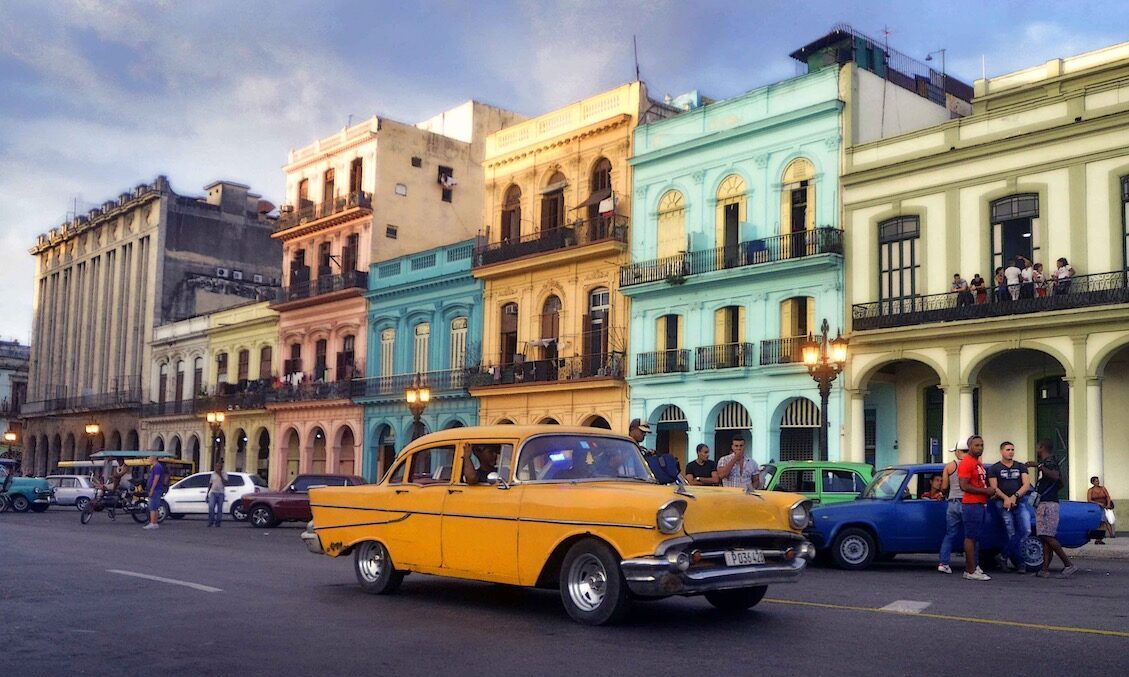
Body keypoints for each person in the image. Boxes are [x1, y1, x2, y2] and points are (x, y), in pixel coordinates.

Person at [1028, 439, 1077, 578]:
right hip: (1047, 501)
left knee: (1047, 535)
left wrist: (1038, 466)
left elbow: (1055, 476)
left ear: (1042, 447)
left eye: (1037, 446)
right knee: (1044, 537)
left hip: (1048, 504)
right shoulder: (1049, 462)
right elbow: (1060, 482)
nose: (1036, 448)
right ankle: (1044, 569)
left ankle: (1068, 564)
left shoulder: (1048, 462)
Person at [988, 441, 1032, 571]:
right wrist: (1006, 498)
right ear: (1001, 451)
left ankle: (1003, 555)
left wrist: (1014, 496)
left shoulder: (1020, 466)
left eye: (1012, 449)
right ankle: (1020, 563)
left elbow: (1026, 484)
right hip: (1002, 503)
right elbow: (994, 487)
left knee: (1026, 530)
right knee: (1011, 532)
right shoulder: (994, 468)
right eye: (1008, 449)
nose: (1011, 452)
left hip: (1019, 502)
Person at [958, 435, 995, 581]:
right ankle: (970, 570)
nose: (980, 448)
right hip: (971, 504)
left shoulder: (977, 463)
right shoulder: (967, 462)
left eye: (981, 445)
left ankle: (975, 567)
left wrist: (987, 492)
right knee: (971, 537)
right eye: (976, 445)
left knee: (976, 537)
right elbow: (964, 485)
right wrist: (985, 491)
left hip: (980, 503)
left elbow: (979, 482)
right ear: (970, 446)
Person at [937, 441, 967, 574]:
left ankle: (944, 563)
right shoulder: (974, 465)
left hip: (953, 502)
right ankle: (973, 564)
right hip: (968, 503)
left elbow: (944, 486)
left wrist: (943, 494)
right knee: (972, 536)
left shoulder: (950, 466)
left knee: (950, 534)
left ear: (958, 451)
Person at [1087, 476, 1115, 544]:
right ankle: (1099, 538)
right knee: (1101, 522)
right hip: (1095, 508)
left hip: (1104, 507)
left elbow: (1108, 497)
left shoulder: (1103, 488)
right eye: (1096, 481)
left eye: (1098, 480)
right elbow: (1089, 500)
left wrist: (1108, 504)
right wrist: (1098, 503)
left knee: (1105, 520)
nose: (1098, 482)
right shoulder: (1090, 490)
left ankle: (1110, 535)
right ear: (1093, 482)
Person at [144, 454, 166, 530]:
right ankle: (155, 522)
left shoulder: (157, 467)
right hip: (157, 489)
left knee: (152, 506)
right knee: (155, 506)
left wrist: (152, 489)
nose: (149, 459)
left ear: (153, 459)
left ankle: (152, 523)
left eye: (149, 458)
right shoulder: (157, 467)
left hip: (156, 489)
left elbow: (156, 478)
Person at [206, 460, 226, 527]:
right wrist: (207, 493)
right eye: (217, 466)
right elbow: (210, 483)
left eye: (219, 466)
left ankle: (218, 522)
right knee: (211, 507)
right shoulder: (213, 474)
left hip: (221, 493)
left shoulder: (224, 473)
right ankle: (211, 521)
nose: (218, 467)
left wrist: (220, 475)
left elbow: (225, 483)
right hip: (213, 492)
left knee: (219, 508)